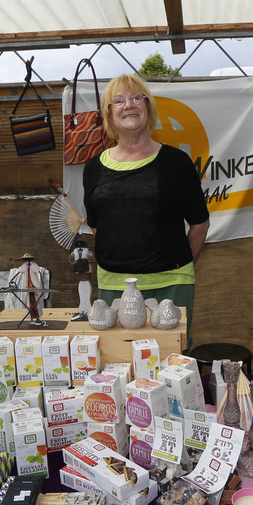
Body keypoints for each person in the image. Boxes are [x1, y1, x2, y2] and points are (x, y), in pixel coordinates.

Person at [82, 73, 209, 336]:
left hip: (171, 286)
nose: (128, 105)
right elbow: (98, 227)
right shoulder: (93, 168)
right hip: (114, 287)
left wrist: (179, 270)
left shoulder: (176, 163)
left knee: (172, 358)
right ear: (109, 114)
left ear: (148, 107)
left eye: (136, 98)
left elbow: (200, 224)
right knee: (118, 356)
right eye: (119, 101)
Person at [68, 235, 95, 321]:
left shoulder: (73, 253)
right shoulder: (88, 252)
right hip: (86, 273)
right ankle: (86, 308)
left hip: (79, 274)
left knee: (82, 291)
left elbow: (70, 259)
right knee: (86, 291)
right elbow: (92, 258)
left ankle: (84, 309)